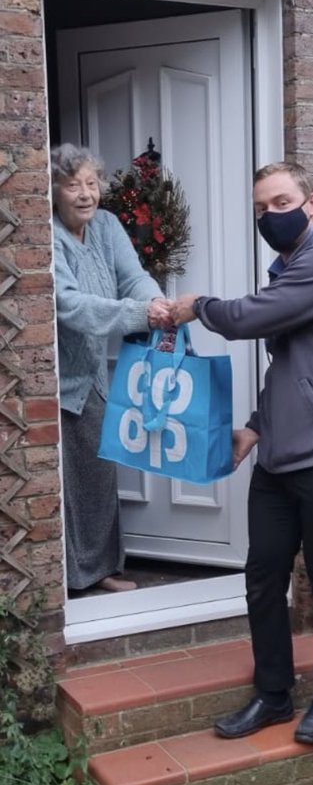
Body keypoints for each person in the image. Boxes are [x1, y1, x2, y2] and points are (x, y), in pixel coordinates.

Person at [170, 161, 313, 745]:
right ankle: (272, 694)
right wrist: (257, 426)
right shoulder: (288, 270)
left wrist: (199, 306)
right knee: (264, 576)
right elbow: (292, 368)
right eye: (261, 209)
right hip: (282, 457)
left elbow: (250, 319)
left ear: (312, 203)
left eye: (282, 202)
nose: (272, 215)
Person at [52, 144, 173, 594]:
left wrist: (154, 301)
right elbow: (69, 305)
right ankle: (64, 576)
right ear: (54, 192)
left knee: (99, 475)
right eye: (72, 185)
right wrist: (139, 314)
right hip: (56, 378)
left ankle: (100, 571)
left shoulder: (105, 226)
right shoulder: (48, 237)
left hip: (94, 377)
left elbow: (133, 275)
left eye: (91, 183)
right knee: (60, 485)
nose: (85, 194)